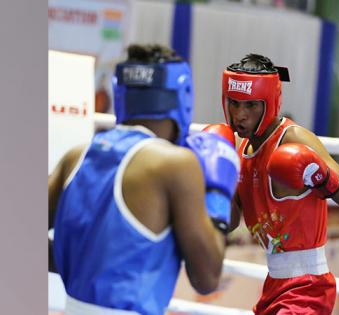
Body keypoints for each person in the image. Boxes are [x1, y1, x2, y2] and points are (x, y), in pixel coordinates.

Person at [48, 44, 240, 315]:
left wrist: (84, 262)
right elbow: (207, 279)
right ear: (183, 96)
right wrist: (217, 193)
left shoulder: (77, 156)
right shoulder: (175, 164)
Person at [211, 53, 339, 314]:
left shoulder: (293, 138)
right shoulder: (239, 151)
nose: (240, 115)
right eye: (235, 103)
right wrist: (217, 181)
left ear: (270, 102)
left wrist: (322, 177)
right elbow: (228, 223)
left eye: (251, 105)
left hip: (309, 288)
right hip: (274, 285)